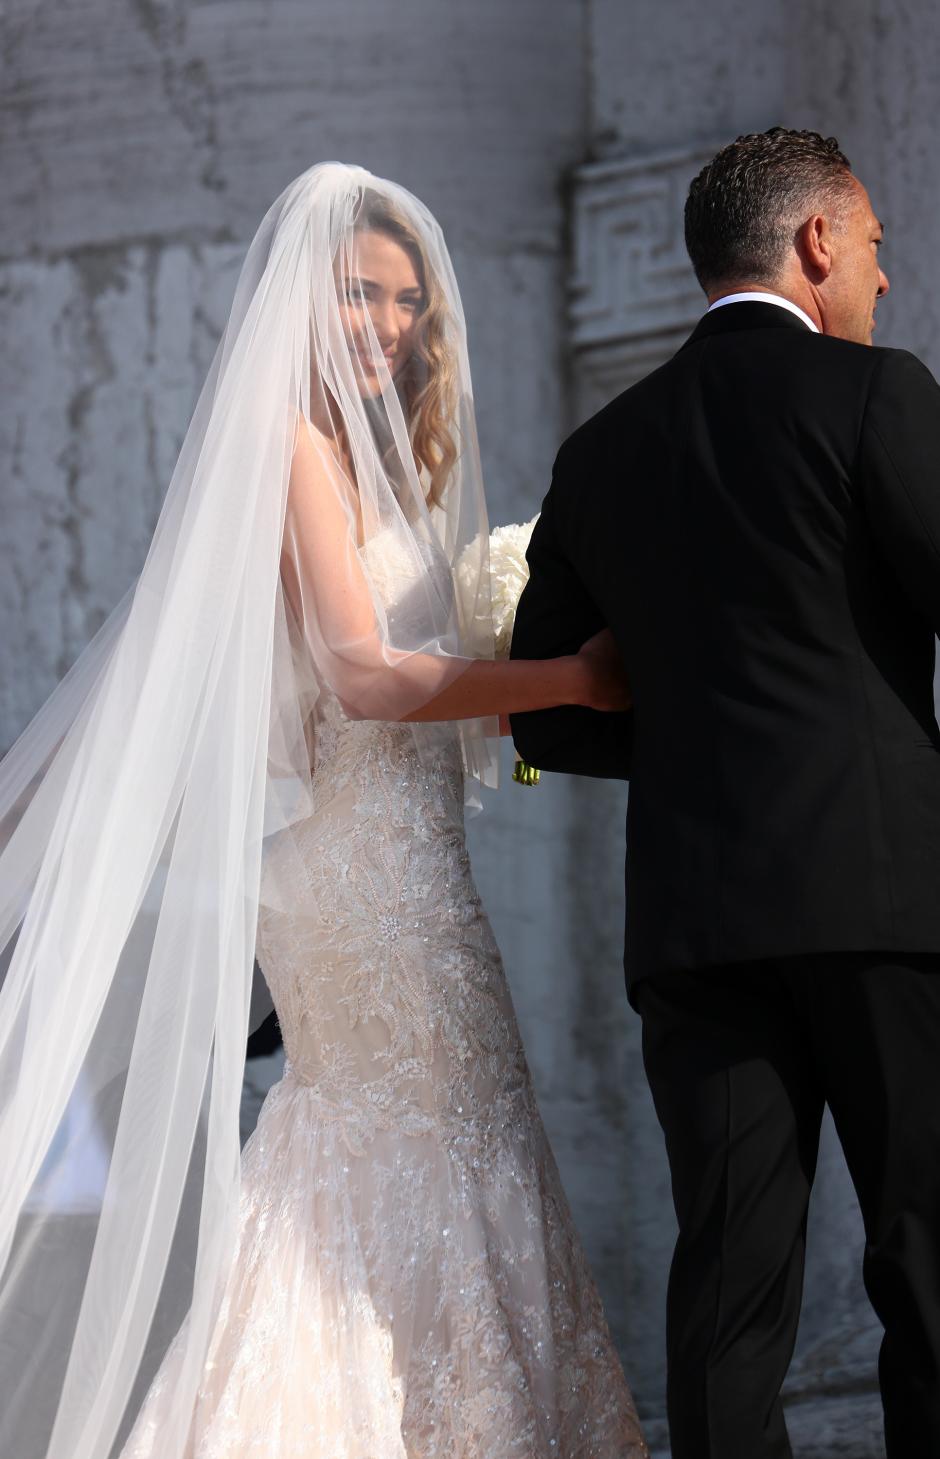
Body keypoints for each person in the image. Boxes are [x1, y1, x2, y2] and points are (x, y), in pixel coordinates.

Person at [0, 164, 648, 1457]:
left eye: (408, 301)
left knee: (460, 1118)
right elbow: (359, 678)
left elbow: (404, 677)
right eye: (361, 292)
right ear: (304, 294)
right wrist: (571, 674)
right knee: (387, 1122)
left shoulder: (382, 461)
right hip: (348, 871)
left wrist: (512, 666)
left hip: (414, 856)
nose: (390, 323)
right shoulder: (287, 442)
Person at [511, 126, 940, 1458]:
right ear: (816, 243)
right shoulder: (876, 394)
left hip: (696, 918)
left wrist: (698, 738)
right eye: (874, 250)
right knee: (928, 1250)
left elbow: (551, 712)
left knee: (730, 1282)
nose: (882, 282)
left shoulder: (600, 451)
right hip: (887, 898)